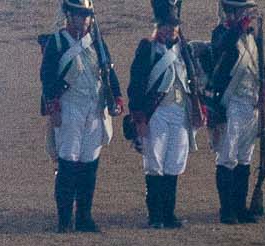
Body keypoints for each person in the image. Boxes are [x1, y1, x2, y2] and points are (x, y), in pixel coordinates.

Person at [39, 0, 121, 233]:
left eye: (86, 16)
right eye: (79, 15)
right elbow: (47, 77)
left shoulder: (96, 42)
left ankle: (84, 217)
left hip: (94, 107)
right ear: (69, 16)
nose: (84, 20)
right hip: (69, 107)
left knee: (89, 163)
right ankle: (64, 219)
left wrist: (116, 97)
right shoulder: (57, 42)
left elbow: (108, 72)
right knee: (68, 162)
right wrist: (53, 106)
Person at [126, 0, 205, 229]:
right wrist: (139, 118)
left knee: (174, 163)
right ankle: (155, 215)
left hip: (180, 112)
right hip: (157, 113)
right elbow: (136, 85)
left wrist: (197, 109)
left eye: (173, 25)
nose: (170, 29)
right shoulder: (147, 48)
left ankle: (169, 214)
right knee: (155, 163)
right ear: (158, 26)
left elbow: (192, 81)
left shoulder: (184, 49)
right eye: (166, 25)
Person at [203, 0, 265, 224]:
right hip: (231, 102)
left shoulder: (252, 34)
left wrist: (263, 95)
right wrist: (238, 27)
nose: (247, 13)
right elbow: (222, 48)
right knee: (227, 156)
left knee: (244, 157)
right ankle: (227, 209)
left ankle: (240, 207)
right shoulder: (221, 32)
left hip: (251, 102)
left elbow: (260, 67)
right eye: (242, 10)